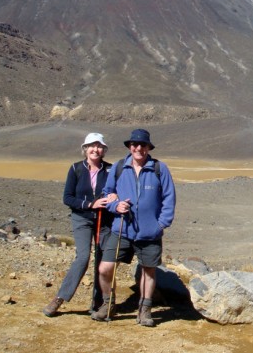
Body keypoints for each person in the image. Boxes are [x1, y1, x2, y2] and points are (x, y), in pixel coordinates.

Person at [91, 128, 176, 327]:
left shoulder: (159, 168)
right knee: (105, 268)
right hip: (121, 228)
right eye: (135, 144)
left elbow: (169, 198)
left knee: (149, 271)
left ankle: (145, 309)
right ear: (130, 147)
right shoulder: (120, 167)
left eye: (143, 145)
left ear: (148, 147)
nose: (138, 148)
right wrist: (115, 206)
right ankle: (108, 302)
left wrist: (161, 224)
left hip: (149, 232)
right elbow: (108, 192)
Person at [43, 133, 113, 317]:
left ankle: (99, 303)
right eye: (92, 146)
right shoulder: (76, 169)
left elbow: (115, 192)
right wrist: (90, 204)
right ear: (85, 149)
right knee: (83, 257)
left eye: (99, 146)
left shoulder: (111, 170)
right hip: (82, 219)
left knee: (102, 261)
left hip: (104, 221)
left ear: (103, 150)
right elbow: (67, 197)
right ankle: (60, 298)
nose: (95, 149)